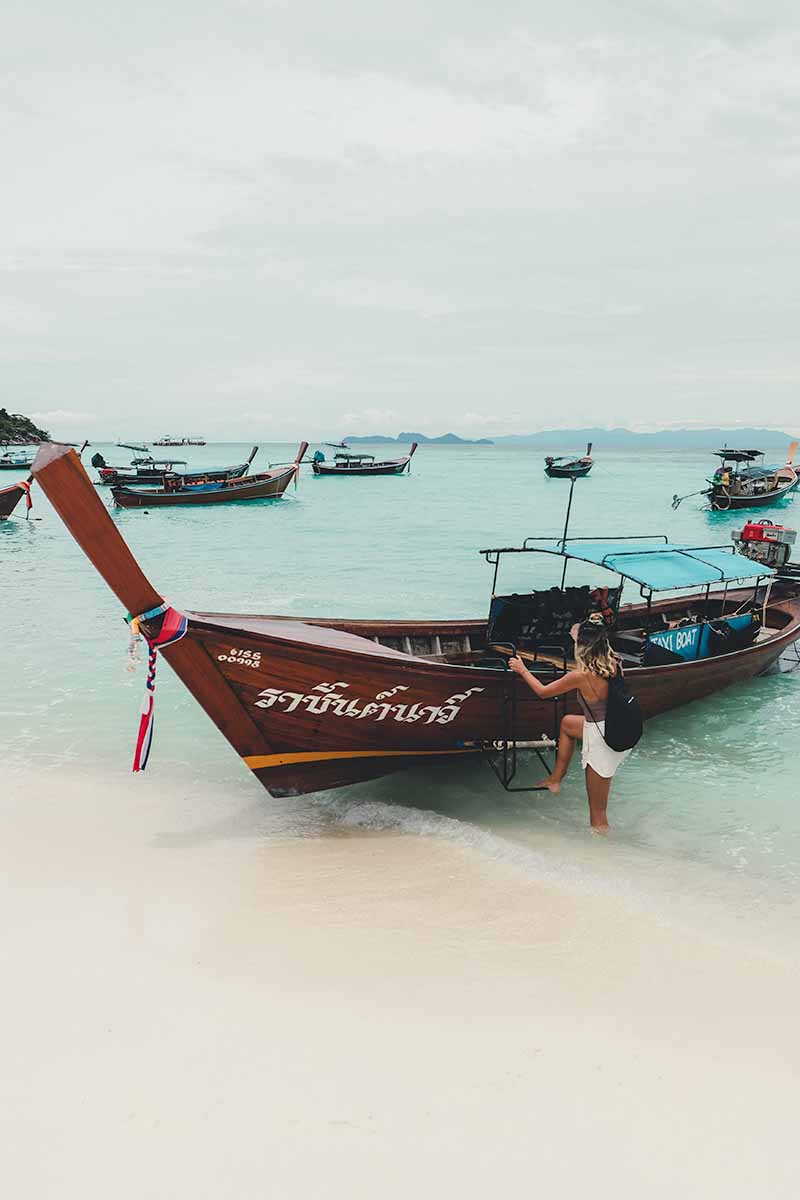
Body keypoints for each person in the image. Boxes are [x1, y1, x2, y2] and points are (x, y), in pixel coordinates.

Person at [508, 613, 632, 832]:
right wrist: (583, 631)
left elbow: (543, 692)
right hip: (618, 725)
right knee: (567, 723)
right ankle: (556, 779)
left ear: (582, 647)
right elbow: (588, 637)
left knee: (597, 813)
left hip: (602, 740)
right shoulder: (613, 662)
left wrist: (522, 669)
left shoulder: (580, 675)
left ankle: (603, 857)